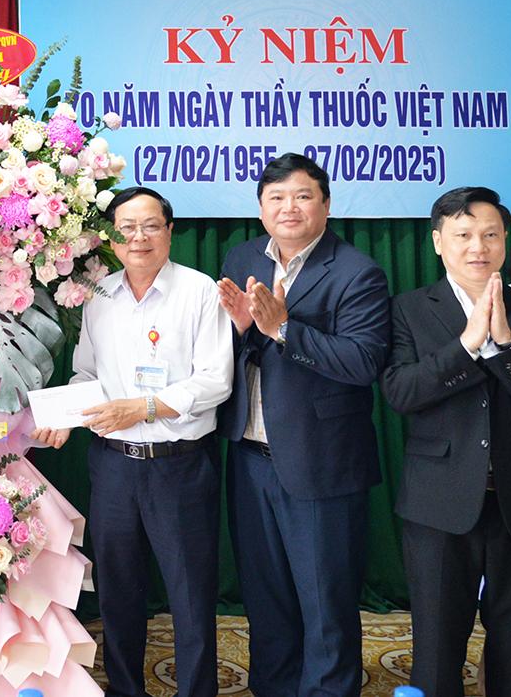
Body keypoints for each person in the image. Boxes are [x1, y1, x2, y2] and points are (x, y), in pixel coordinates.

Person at [382, 186, 511, 697]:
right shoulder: (409, 309)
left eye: (490, 234)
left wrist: (506, 347)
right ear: (437, 242)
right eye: (464, 235)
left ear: (506, 239)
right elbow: (402, 392)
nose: (478, 247)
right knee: (436, 646)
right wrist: (469, 345)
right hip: (439, 504)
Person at [32, 186, 232, 697]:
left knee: (190, 595)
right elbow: (84, 374)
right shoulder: (99, 296)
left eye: (150, 226)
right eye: (126, 228)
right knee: (119, 593)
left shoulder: (200, 290)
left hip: (179, 466)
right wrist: (66, 416)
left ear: (169, 230)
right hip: (114, 466)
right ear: (111, 240)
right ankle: (124, 689)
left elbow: (215, 381)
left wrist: (141, 408)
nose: (138, 237)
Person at [216, 152, 390, 697]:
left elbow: (363, 363)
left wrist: (285, 328)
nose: (289, 207)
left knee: (326, 605)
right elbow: (237, 351)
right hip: (250, 457)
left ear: (326, 204)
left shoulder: (357, 271)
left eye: (302, 196)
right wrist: (245, 330)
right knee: (265, 600)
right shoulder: (242, 255)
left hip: (322, 464)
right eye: (277, 198)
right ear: (261, 208)